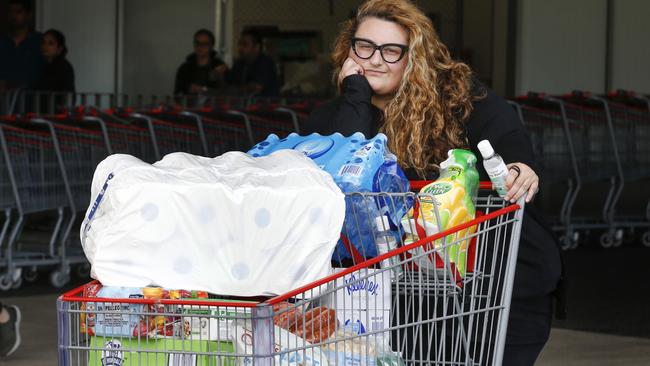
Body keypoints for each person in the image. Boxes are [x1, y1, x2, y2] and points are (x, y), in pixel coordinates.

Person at [303, 1, 564, 365]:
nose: (375, 59)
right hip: (411, 290)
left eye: (391, 51)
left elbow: (507, 144)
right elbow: (343, 169)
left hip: (495, 279)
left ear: (415, 57)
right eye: (364, 46)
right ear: (348, 49)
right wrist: (357, 96)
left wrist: (520, 169)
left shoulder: (461, 100)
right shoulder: (341, 111)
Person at [218, 29, 279, 97]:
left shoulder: (266, 62)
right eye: (239, 44)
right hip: (244, 105)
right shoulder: (239, 63)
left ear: (256, 47)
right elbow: (229, 85)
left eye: (245, 44)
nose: (240, 48)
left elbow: (256, 87)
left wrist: (237, 89)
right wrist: (221, 75)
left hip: (265, 104)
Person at [0, 0, 44, 90]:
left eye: (18, 12)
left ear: (29, 15)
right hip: (4, 100)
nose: (13, 16)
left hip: (32, 100)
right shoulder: (2, 41)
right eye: (10, 12)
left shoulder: (40, 41)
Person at [174, 29, 226, 95]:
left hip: (213, 104)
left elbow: (226, 93)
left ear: (211, 46)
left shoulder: (219, 67)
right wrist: (188, 89)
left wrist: (205, 90)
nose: (200, 46)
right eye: (197, 43)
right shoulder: (185, 68)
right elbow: (177, 93)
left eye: (204, 44)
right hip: (189, 104)